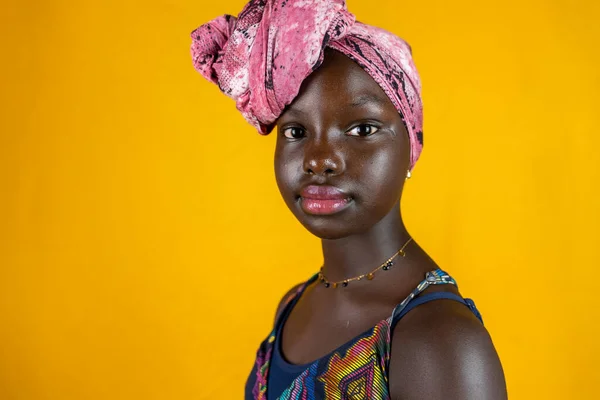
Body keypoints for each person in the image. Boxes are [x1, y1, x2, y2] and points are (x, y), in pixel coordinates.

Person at [191, 1, 507, 399]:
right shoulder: (294, 304)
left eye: (361, 129)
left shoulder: (438, 341)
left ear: (411, 145)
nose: (318, 159)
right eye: (296, 131)